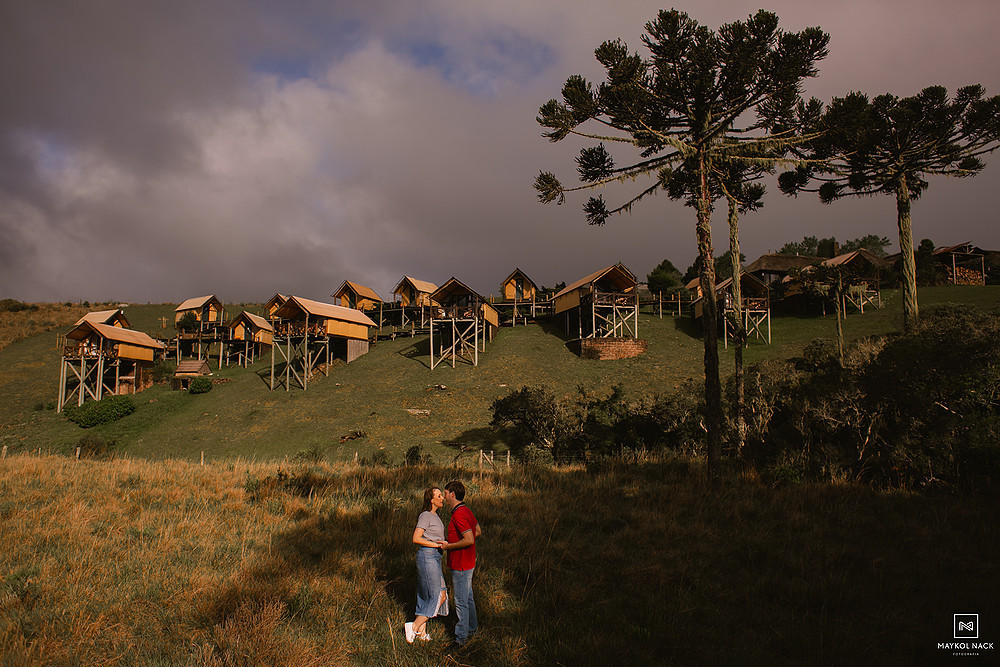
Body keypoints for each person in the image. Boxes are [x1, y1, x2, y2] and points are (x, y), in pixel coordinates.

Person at [439, 480, 482, 646]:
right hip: (468, 561)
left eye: (446, 493)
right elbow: (477, 531)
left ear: (452, 494)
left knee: (461, 601)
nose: (444, 496)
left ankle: (461, 639)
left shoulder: (458, 514)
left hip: (461, 564)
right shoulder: (466, 510)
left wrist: (450, 545)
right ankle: (472, 630)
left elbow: (470, 538)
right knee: (468, 597)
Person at [405, 487, 448, 644]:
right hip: (427, 557)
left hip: (435, 558)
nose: (442, 497)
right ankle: (414, 627)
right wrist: (435, 545)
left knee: (441, 595)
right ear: (431, 499)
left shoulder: (436, 516)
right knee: (435, 595)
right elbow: (416, 538)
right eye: (438, 495)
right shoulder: (425, 515)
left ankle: (421, 631)